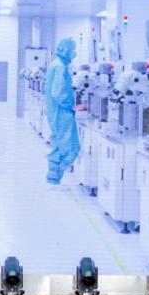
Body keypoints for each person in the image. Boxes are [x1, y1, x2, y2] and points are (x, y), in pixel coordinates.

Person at [44, 38, 81, 185]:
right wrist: (70, 106)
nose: (74, 53)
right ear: (66, 51)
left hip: (54, 112)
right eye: (73, 50)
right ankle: (56, 176)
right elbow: (58, 92)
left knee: (58, 145)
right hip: (62, 112)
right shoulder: (60, 67)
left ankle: (52, 178)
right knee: (71, 148)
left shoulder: (54, 64)